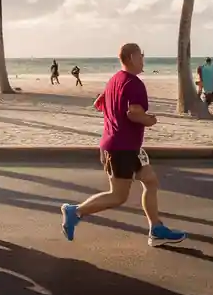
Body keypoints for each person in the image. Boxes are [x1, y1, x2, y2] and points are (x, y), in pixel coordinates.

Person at [59, 43, 186, 247]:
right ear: (132, 57)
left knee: (150, 181)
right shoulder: (134, 83)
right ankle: (75, 211)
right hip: (122, 147)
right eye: (141, 56)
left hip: (121, 145)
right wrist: (148, 120)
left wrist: (116, 115)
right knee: (118, 196)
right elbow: (134, 113)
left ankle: (156, 229)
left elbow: (98, 104)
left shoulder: (114, 80)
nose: (143, 60)